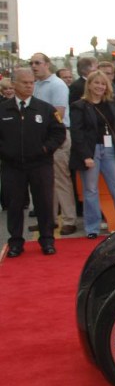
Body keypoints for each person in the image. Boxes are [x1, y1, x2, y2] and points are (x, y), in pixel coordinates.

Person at [0, 67, 66, 256]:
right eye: (25, 83)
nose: (29, 86)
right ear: (14, 84)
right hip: (12, 166)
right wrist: (5, 152)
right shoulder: (3, 109)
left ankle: (47, 240)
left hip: (40, 165)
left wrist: (45, 148)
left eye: (31, 83)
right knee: (14, 205)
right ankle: (15, 243)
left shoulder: (44, 109)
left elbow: (58, 132)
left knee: (44, 203)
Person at [68, 70, 115, 239]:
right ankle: (92, 228)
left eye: (102, 83)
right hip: (91, 150)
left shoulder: (112, 103)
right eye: (96, 83)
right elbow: (76, 133)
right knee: (91, 190)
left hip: (110, 150)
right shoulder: (79, 106)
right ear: (89, 85)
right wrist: (86, 155)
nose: (100, 86)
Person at [31, 52, 78, 235]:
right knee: (45, 181)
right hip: (41, 136)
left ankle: (68, 219)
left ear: (47, 64)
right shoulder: (36, 85)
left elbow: (58, 113)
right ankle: (48, 220)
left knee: (60, 179)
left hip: (57, 135)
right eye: (32, 63)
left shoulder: (57, 85)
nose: (34, 66)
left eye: (38, 63)